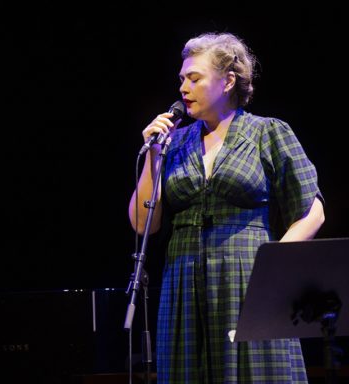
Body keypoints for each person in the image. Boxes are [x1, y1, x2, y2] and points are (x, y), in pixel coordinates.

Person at [128, 32, 325, 383]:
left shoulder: (268, 132)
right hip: (183, 280)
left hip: (247, 275)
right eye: (181, 79)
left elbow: (313, 210)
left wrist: (274, 266)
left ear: (228, 81)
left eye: (194, 78)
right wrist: (153, 157)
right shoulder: (175, 142)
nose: (183, 88)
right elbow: (144, 225)